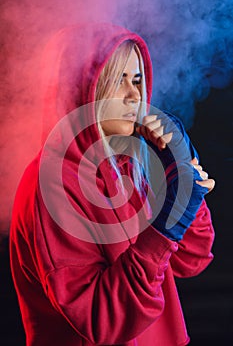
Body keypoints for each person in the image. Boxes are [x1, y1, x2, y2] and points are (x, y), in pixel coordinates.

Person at [10, 23, 215, 346]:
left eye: (137, 80)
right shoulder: (50, 184)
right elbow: (100, 320)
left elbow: (192, 257)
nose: (135, 95)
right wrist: (170, 219)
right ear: (80, 85)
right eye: (119, 80)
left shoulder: (127, 164)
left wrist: (178, 166)